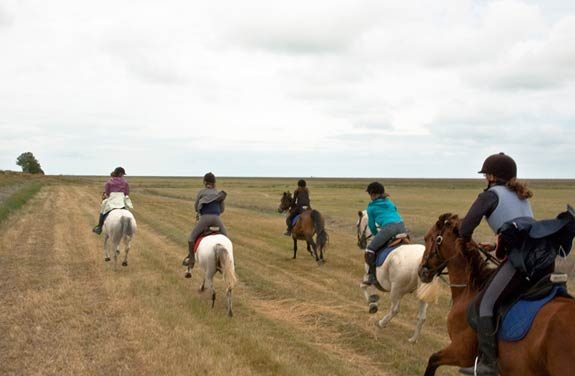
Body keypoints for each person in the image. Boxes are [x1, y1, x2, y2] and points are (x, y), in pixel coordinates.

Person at [458, 153, 534, 376]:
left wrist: (466, 239)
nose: (485, 180)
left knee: (484, 305)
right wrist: (495, 245)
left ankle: (488, 365)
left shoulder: (489, 195)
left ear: (491, 177)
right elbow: (519, 228)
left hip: (519, 261)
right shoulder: (521, 195)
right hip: (541, 258)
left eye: (485, 175)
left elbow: (464, 229)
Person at [183, 172, 228, 275]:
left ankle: (191, 261)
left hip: (205, 219)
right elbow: (222, 209)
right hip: (217, 219)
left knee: (191, 239)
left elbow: (196, 207)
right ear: (214, 183)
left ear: (205, 182)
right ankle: (229, 262)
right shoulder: (218, 193)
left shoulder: (201, 192)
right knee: (226, 239)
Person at [363, 181, 406, 286]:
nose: (370, 196)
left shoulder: (371, 207)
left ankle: (372, 276)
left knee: (369, 250)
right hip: (401, 226)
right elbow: (394, 211)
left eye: (370, 194)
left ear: (373, 194)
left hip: (388, 228)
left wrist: (376, 234)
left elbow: (372, 226)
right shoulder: (389, 202)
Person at [92, 167, 132, 235]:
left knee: (103, 208)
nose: (123, 176)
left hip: (112, 199)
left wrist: (106, 196)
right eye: (123, 174)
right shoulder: (125, 182)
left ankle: (99, 227)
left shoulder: (109, 182)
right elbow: (127, 193)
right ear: (120, 174)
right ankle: (129, 227)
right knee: (127, 209)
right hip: (121, 200)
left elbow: (107, 193)